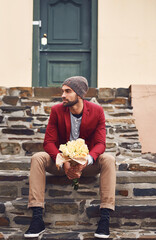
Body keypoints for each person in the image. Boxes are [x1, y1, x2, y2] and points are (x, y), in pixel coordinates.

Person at [24, 76, 116, 239]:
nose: (63, 95)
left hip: (86, 165)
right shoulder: (56, 110)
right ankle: (37, 218)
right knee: (38, 157)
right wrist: (62, 160)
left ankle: (105, 218)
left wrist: (85, 161)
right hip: (60, 163)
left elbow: (101, 144)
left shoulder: (97, 111)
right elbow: (49, 142)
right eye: (62, 91)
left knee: (108, 159)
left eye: (68, 91)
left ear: (79, 94)